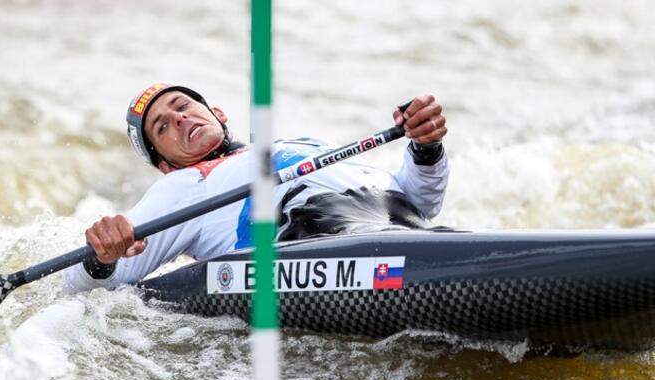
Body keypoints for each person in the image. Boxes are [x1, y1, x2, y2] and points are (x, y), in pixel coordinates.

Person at [64, 83, 448, 293]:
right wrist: (103, 256)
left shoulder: (307, 144)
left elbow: (420, 202)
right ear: (165, 165)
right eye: (162, 128)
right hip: (320, 249)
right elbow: (87, 290)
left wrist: (425, 147)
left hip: (405, 233)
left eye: (182, 106)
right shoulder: (184, 186)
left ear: (218, 114)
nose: (179, 119)